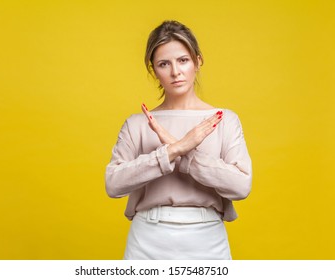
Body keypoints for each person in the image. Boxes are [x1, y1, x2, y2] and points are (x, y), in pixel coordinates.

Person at [105, 20, 252, 260]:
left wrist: (184, 155)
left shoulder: (224, 120)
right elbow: (113, 184)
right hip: (147, 240)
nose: (175, 72)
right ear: (153, 70)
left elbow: (240, 187)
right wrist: (173, 150)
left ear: (198, 61)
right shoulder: (138, 123)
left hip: (208, 240)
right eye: (164, 64)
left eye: (183, 60)